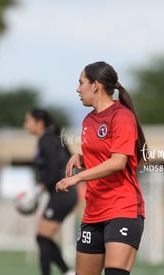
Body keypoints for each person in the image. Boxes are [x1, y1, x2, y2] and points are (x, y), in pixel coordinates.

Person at [55, 61, 147, 275]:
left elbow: (118, 162)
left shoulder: (122, 116)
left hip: (122, 209)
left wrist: (77, 178)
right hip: (93, 211)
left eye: (81, 82)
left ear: (95, 85)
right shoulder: (88, 120)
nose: (78, 89)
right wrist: (81, 157)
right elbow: (101, 158)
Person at [24, 108, 78, 275]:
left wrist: (39, 187)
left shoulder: (47, 140)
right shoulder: (49, 139)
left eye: (28, 121)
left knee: (42, 237)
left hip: (64, 193)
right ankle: (67, 271)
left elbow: (55, 170)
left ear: (39, 123)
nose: (25, 125)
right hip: (61, 194)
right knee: (43, 237)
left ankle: (66, 271)